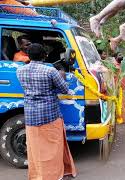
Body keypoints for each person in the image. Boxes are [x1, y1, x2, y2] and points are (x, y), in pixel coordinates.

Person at [16, 43, 76, 180]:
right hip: (50, 115)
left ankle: (38, 175)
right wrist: (62, 74)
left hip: (31, 116)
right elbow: (64, 89)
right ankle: (55, 175)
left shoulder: (20, 71)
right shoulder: (50, 71)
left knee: (36, 149)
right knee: (53, 148)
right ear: (44, 55)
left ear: (28, 55)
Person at [114, 52, 125, 123]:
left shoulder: (123, 65)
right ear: (115, 57)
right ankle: (117, 118)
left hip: (122, 87)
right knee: (116, 103)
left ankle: (122, 118)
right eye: (119, 55)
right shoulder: (113, 65)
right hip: (116, 87)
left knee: (122, 103)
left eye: (122, 55)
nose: (121, 56)